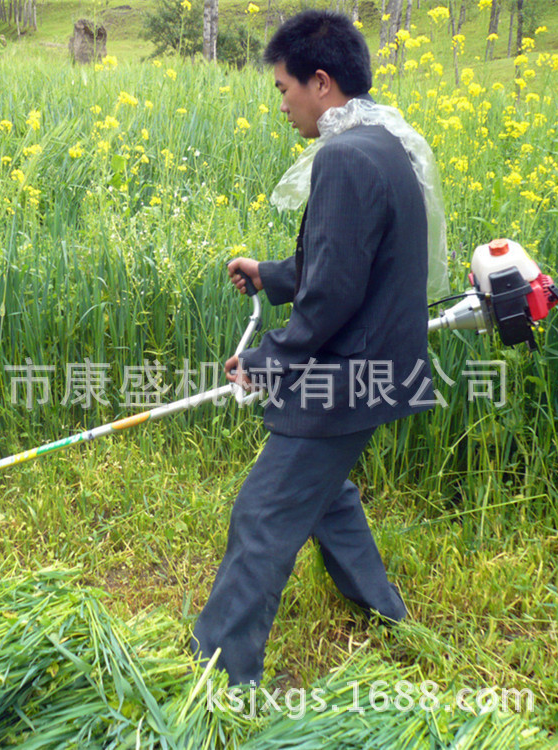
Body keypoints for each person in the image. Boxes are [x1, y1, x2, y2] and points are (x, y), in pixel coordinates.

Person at [192, 10, 448, 687]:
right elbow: (347, 262)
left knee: (264, 512)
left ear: (322, 82)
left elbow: (333, 293)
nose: (282, 104)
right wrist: (272, 276)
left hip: (348, 374)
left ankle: (220, 681)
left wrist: (268, 358)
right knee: (326, 493)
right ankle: (386, 616)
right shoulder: (381, 141)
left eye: (284, 88)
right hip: (376, 366)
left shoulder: (343, 156)